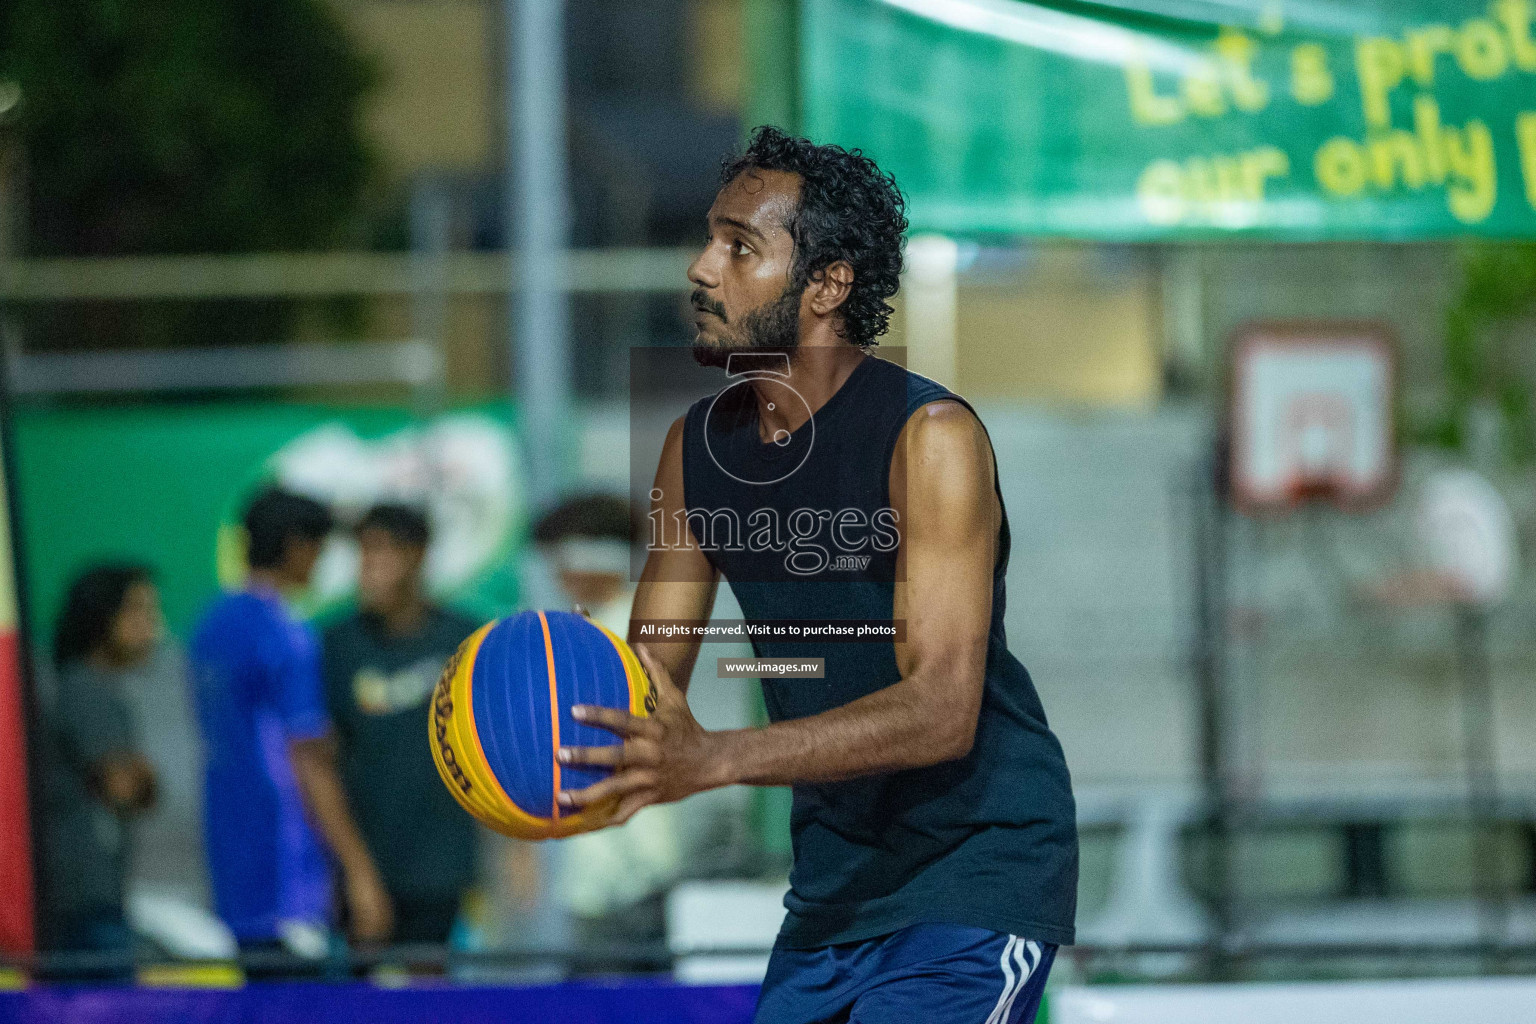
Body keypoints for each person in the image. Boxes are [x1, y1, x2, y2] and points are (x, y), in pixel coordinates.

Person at [558, 127, 1077, 1024]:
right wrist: (537, 747)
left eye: (739, 247)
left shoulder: (930, 438)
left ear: (827, 285)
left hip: (975, 874)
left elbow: (943, 708)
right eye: (709, 239)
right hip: (834, 889)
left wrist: (714, 759)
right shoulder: (696, 447)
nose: (699, 268)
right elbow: (647, 684)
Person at [189, 487, 392, 963]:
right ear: (299, 547)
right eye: (320, 551)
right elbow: (308, 761)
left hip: (230, 860)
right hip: (287, 871)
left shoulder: (210, 626)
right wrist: (359, 872)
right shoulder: (285, 634)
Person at [321, 504, 480, 945]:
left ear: (418, 555)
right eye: (362, 554)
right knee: (358, 1008)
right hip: (363, 863)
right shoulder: (337, 645)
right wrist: (354, 870)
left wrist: (520, 851)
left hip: (442, 866)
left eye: (381, 553)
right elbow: (319, 765)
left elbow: (500, 749)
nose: (367, 568)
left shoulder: (464, 641)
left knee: (432, 1001)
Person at [36, 565, 163, 957]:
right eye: (138, 611)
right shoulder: (89, 689)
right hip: (85, 901)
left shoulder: (81, 685)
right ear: (102, 618)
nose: (152, 626)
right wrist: (145, 777)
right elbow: (126, 788)